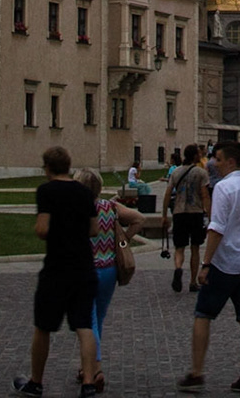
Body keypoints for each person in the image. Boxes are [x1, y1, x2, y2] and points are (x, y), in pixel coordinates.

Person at [179, 142, 240, 393]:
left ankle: (196, 372)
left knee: (203, 315)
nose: (214, 163)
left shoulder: (223, 188)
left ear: (230, 161)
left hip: (224, 264)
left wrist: (206, 264)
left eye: (218, 159)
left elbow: (216, 228)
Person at [14, 146, 99, 397]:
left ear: (47, 168)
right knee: (84, 326)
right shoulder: (84, 192)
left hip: (57, 267)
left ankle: (36, 382)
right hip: (84, 267)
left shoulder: (46, 191)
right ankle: (89, 383)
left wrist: (55, 229)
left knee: (43, 326)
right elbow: (93, 229)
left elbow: (42, 228)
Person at [73, 169, 144, 393]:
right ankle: (87, 366)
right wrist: (124, 239)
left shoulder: (77, 209)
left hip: (86, 270)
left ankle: (96, 369)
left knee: (88, 321)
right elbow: (138, 219)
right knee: (98, 319)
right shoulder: (109, 207)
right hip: (109, 269)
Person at [168, 143, 211, 294]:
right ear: (195, 156)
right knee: (195, 247)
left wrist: (163, 215)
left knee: (179, 247)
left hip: (179, 212)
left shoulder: (176, 172)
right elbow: (205, 195)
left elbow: (168, 193)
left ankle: (178, 268)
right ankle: (193, 282)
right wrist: (210, 214)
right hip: (196, 212)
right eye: (199, 153)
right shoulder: (201, 173)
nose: (201, 155)